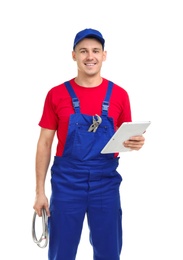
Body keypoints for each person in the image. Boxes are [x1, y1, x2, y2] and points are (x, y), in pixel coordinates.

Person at [33, 28, 145, 260]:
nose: (90, 56)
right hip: (66, 183)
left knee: (108, 251)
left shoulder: (120, 95)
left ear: (104, 55)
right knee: (61, 252)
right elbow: (44, 144)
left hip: (105, 183)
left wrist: (135, 142)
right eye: (83, 51)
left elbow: (123, 138)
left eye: (95, 51)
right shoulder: (56, 94)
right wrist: (40, 192)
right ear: (73, 55)